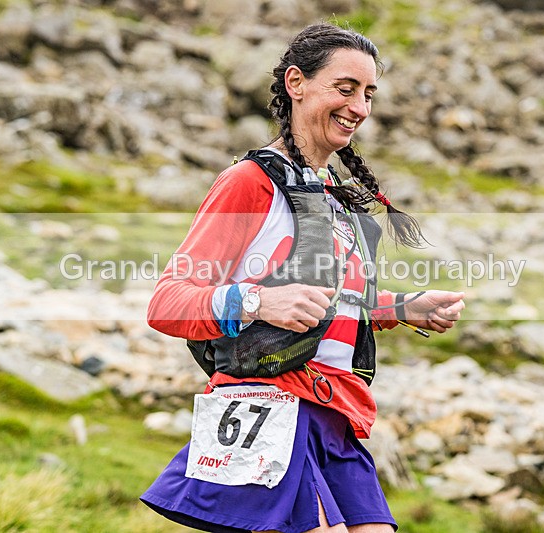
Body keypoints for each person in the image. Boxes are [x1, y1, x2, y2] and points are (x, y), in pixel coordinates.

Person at [140, 23, 465, 533]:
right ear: (296, 83)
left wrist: (402, 308)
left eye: (368, 94)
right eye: (345, 89)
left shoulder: (334, 197)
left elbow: (332, 304)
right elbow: (166, 303)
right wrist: (258, 303)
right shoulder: (249, 183)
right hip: (273, 405)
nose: (360, 107)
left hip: (337, 419)